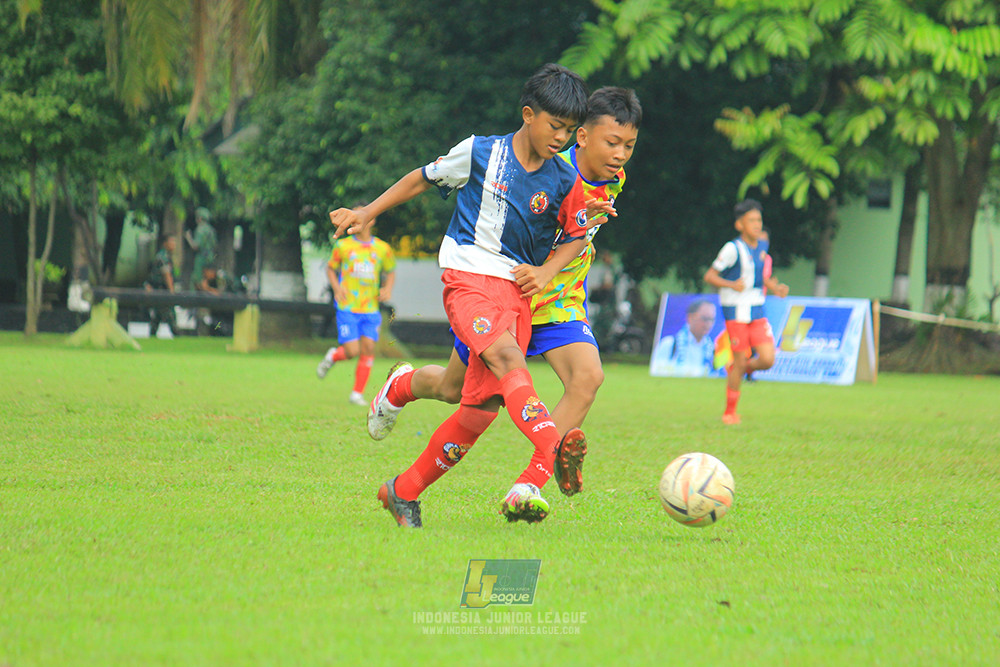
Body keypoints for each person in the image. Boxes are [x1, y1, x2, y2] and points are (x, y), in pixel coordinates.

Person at [329, 63, 611, 528]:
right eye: (554, 127)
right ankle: (542, 461)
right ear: (528, 114)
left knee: (474, 405)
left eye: (568, 131)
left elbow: (577, 236)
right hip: (469, 278)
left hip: (517, 296)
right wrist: (369, 210)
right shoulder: (482, 152)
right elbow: (422, 177)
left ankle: (403, 488)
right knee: (507, 361)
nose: (560, 138)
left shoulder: (564, 181)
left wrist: (546, 270)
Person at [703, 199, 789, 424]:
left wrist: (775, 288)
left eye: (759, 220)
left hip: (757, 309)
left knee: (768, 359)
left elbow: (761, 277)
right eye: (751, 220)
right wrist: (732, 285)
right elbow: (710, 276)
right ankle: (729, 412)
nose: (757, 224)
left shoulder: (762, 246)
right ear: (739, 225)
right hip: (735, 311)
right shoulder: (732, 248)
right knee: (741, 360)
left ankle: (738, 368)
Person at [315, 221, 397, 406]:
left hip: (370, 308)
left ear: (372, 220)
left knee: (368, 349)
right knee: (352, 351)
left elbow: (391, 271)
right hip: (348, 306)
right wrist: (336, 288)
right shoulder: (343, 245)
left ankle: (357, 394)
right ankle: (333, 356)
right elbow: (330, 268)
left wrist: (387, 288)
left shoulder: (382, 248)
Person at [652, 298, 717, 376]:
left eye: (711, 320)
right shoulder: (669, 344)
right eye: (705, 319)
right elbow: (658, 370)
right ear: (690, 317)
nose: (708, 324)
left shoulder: (713, 348)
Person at [143, 235, 177, 337]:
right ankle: (178, 337)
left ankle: (151, 337)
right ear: (165, 243)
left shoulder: (163, 255)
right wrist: (172, 292)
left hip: (157, 292)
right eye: (171, 242)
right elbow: (166, 275)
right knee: (171, 318)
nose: (174, 244)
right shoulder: (163, 257)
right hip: (162, 292)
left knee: (156, 318)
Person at [185, 207, 217, 289]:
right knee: (206, 280)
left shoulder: (200, 229)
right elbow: (214, 245)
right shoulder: (211, 230)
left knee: (196, 280)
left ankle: (194, 300)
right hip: (210, 257)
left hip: (201, 257)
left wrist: (188, 238)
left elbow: (195, 246)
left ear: (199, 218)